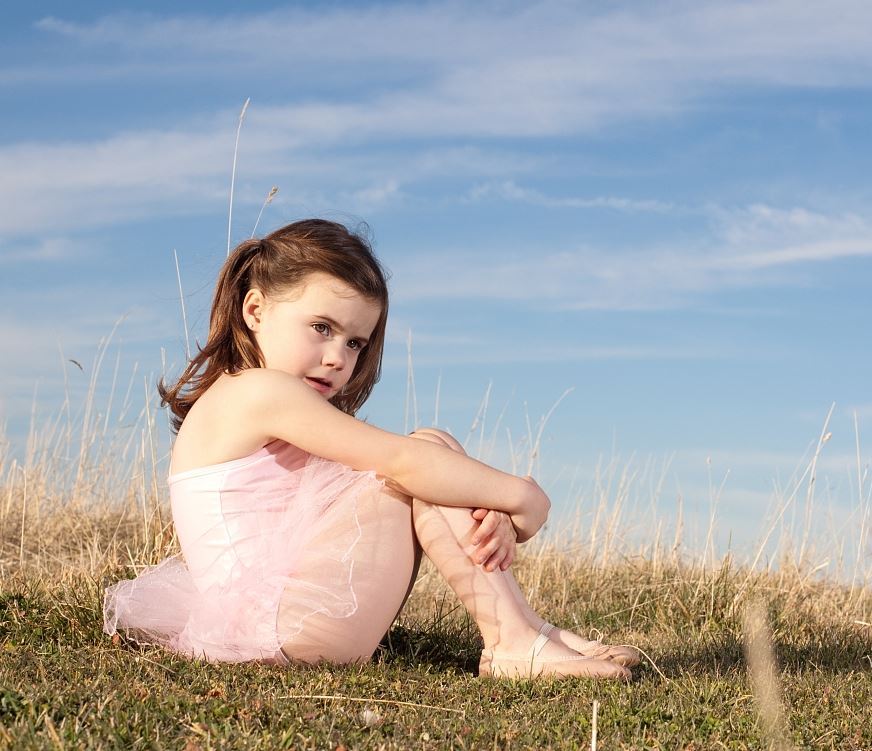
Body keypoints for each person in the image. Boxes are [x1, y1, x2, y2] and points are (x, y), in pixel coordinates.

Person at [103, 218, 636, 679]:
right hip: (281, 630)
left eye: (355, 342)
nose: (338, 357)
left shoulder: (275, 400)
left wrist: (487, 507)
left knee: (430, 459)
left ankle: (526, 630)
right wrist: (522, 497)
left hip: (288, 625)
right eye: (321, 327)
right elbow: (406, 464)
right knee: (421, 455)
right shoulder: (258, 392)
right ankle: (514, 642)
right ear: (255, 309)